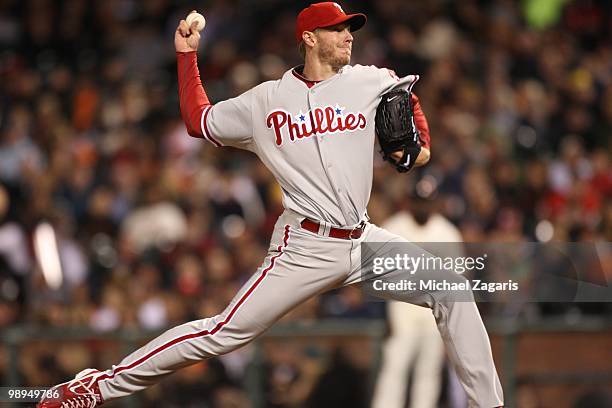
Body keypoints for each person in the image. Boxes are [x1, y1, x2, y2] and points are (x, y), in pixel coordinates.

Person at [39, 3, 503, 407]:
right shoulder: (264, 101)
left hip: (363, 239)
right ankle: (95, 388)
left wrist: (414, 144)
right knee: (222, 332)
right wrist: (187, 57)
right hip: (303, 246)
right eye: (338, 29)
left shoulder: (369, 81)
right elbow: (199, 120)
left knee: (452, 289)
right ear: (309, 38)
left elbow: (414, 127)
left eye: (350, 29)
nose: (348, 37)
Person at [372, 181, 468, 408]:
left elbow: (457, 284)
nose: (422, 207)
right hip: (401, 311)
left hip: (433, 314)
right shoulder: (392, 228)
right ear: (410, 203)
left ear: (434, 204)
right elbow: (375, 277)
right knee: (394, 368)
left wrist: (451, 326)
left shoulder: (447, 233)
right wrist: (382, 313)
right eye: (418, 202)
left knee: (429, 374)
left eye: (427, 202)